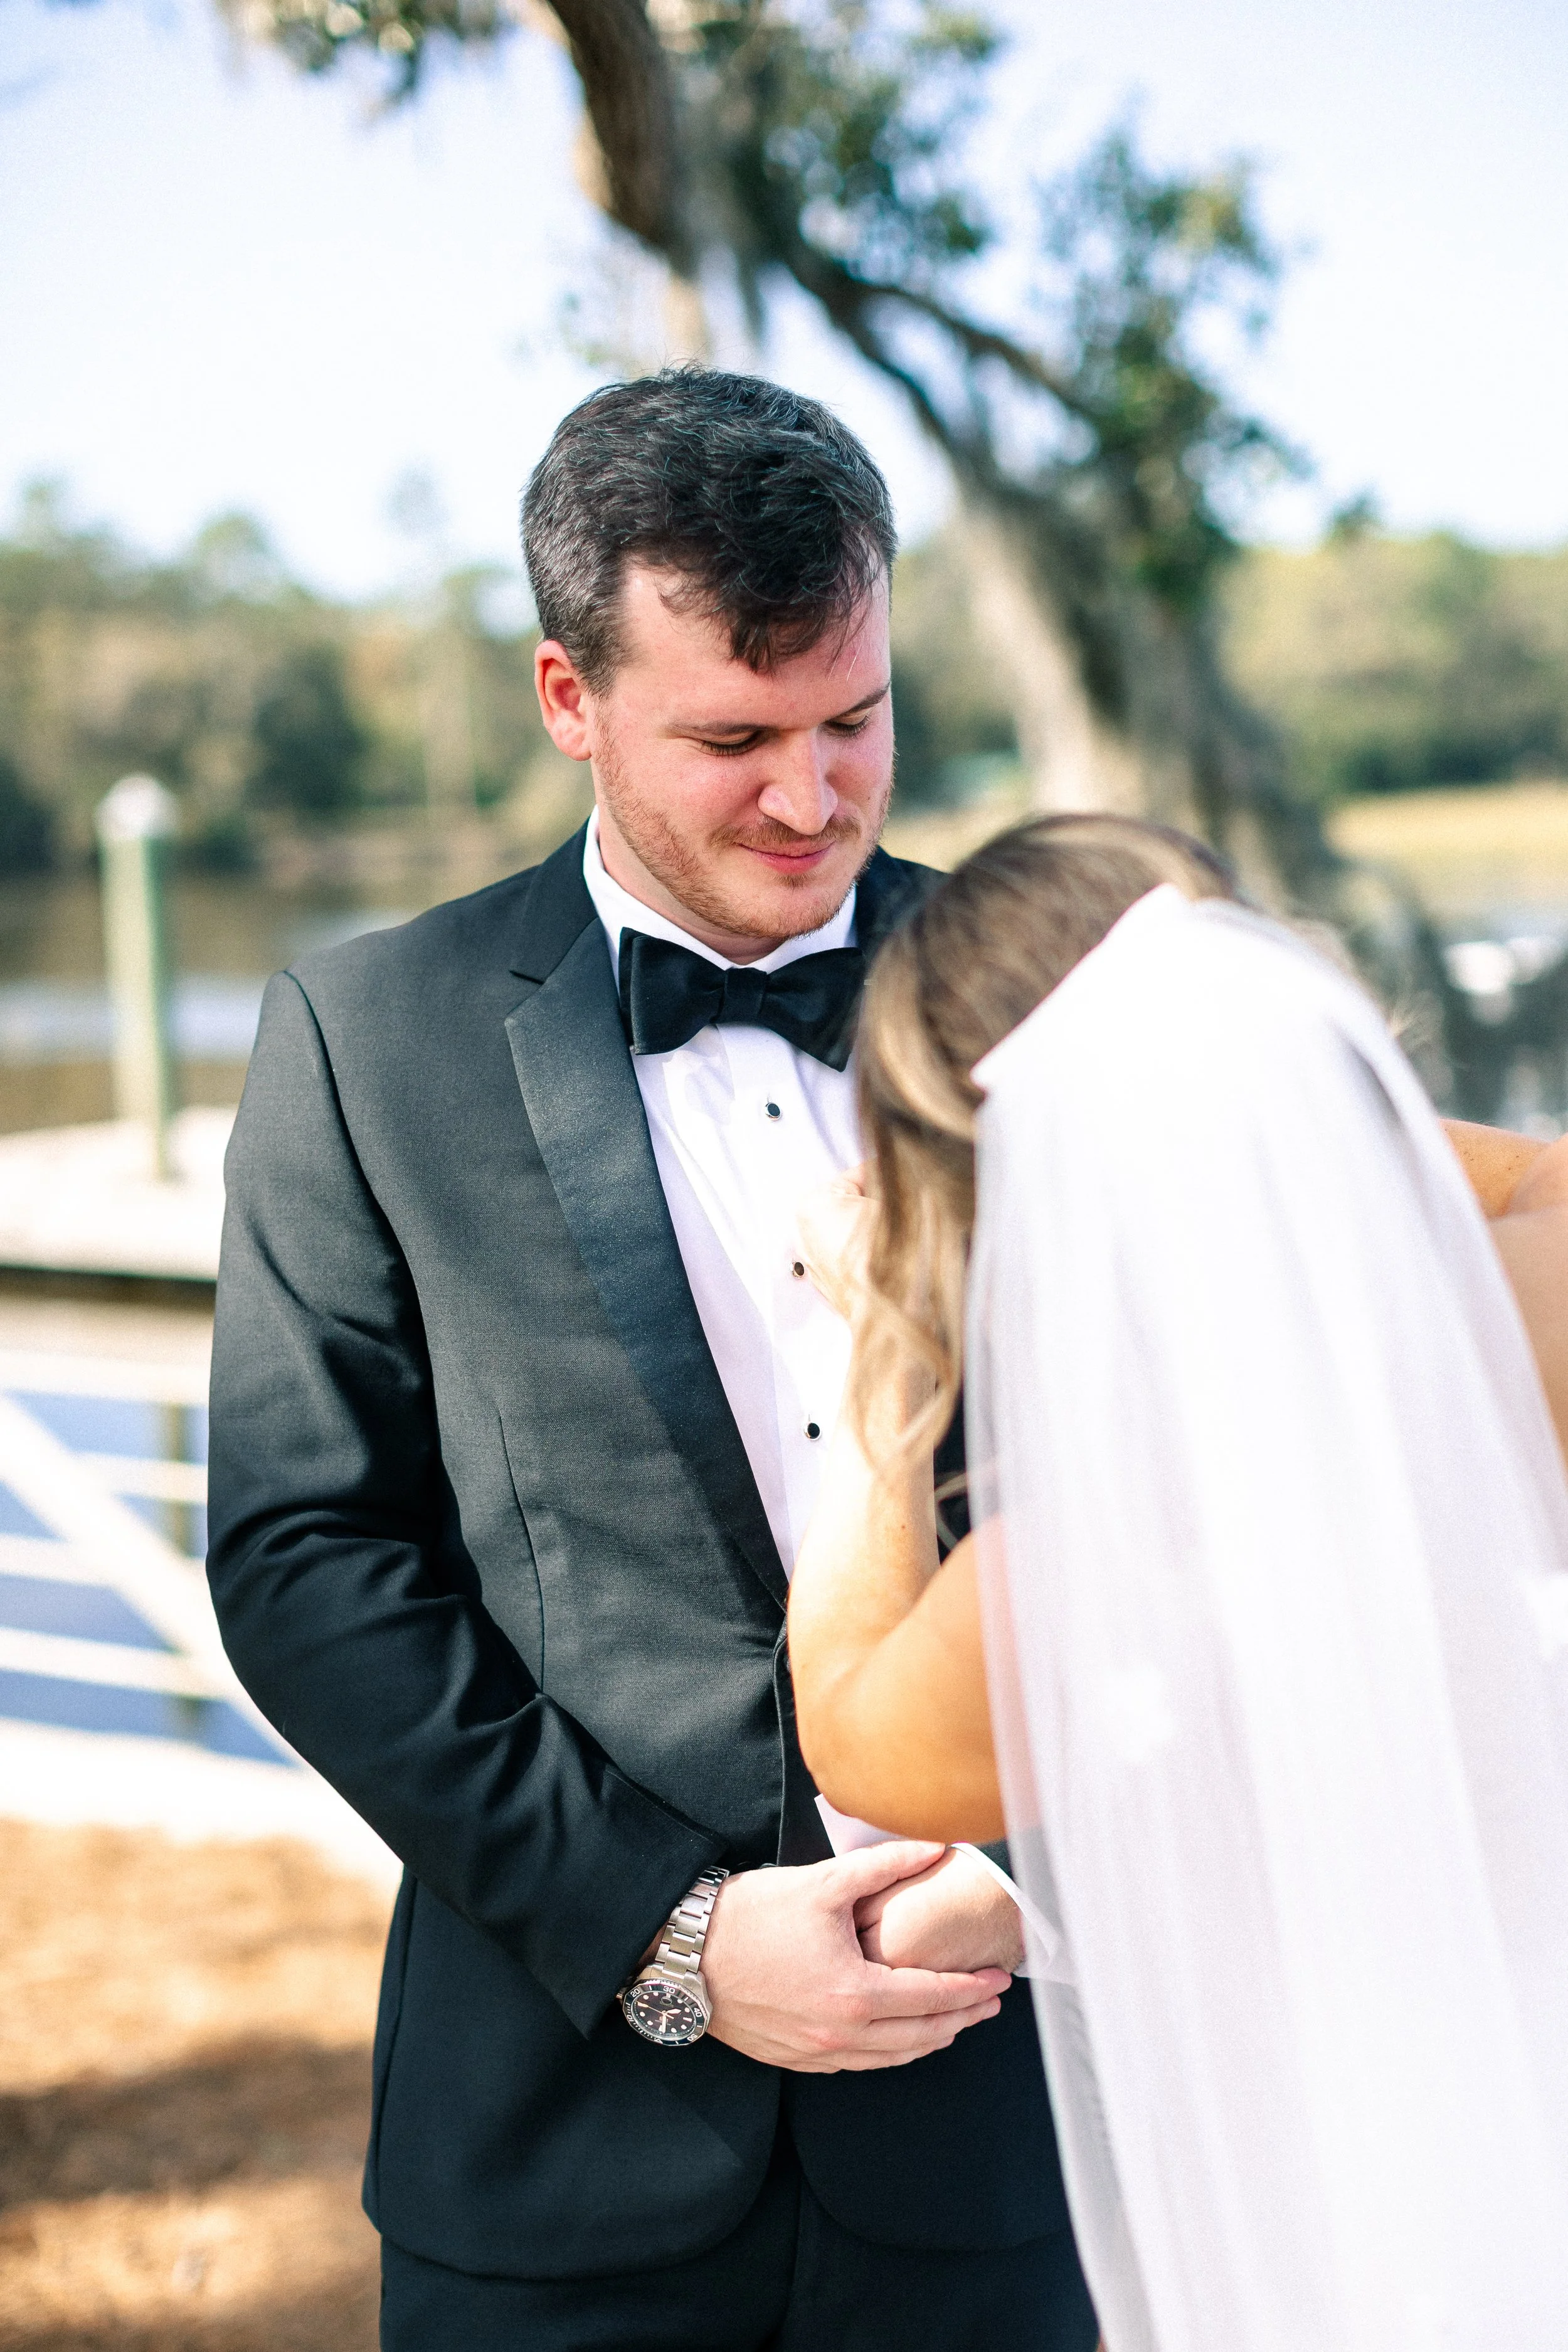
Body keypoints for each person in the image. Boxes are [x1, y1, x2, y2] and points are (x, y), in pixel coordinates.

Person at [205, 369, 1100, 2352]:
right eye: (732, 737)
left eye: (853, 720)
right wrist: (671, 1938)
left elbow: (1211, 1518)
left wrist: (1041, 1876)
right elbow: (310, 1560)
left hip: (1015, 2147)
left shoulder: (1066, 1010)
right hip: (555, 2163)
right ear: (566, 698)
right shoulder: (370, 1040)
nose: (811, 797)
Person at [787, 812, 1568, 2351]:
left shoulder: (1065, 1566)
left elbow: (850, 1726)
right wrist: (1324, 1157)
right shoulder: (1529, 1328)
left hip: (1344, 2242)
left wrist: (878, 1348)